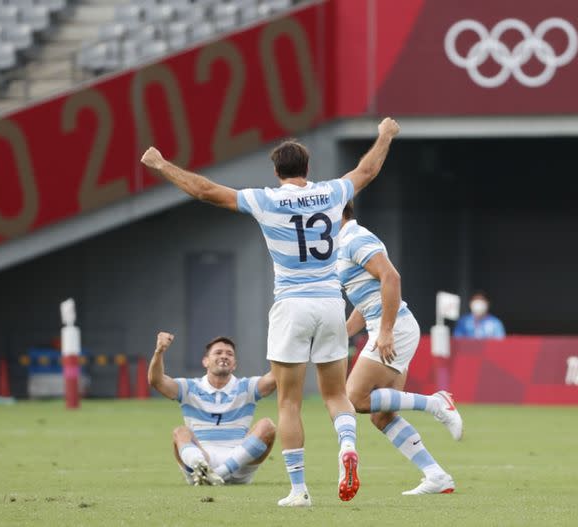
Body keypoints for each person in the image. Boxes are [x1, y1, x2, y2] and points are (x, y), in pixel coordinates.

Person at [140, 117, 400, 507]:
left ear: (277, 172)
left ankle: (299, 490)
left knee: (289, 402)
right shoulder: (331, 193)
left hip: (291, 305)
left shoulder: (266, 199)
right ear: (308, 169)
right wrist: (384, 135)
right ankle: (347, 446)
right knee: (335, 395)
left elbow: (206, 191)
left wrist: (162, 164)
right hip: (331, 303)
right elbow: (367, 169)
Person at [337, 202, 463, 495]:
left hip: (394, 329)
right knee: (382, 416)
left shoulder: (356, 238)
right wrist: (343, 333)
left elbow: (391, 278)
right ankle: (436, 476)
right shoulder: (342, 244)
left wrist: (385, 330)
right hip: (387, 327)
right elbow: (366, 300)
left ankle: (437, 404)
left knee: (354, 398)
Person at [147, 331, 277, 486]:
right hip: (201, 456)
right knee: (180, 432)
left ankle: (218, 474)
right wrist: (159, 351)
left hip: (239, 463)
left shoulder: (247, 387)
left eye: (229, 354)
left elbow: (277, 376)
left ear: (234, 364)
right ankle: (203, 469)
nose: (224, 356)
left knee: (267, 426)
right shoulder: (189, 387)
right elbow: (156, 381)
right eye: (218, 352)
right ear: (205, 361)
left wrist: (282, 344)